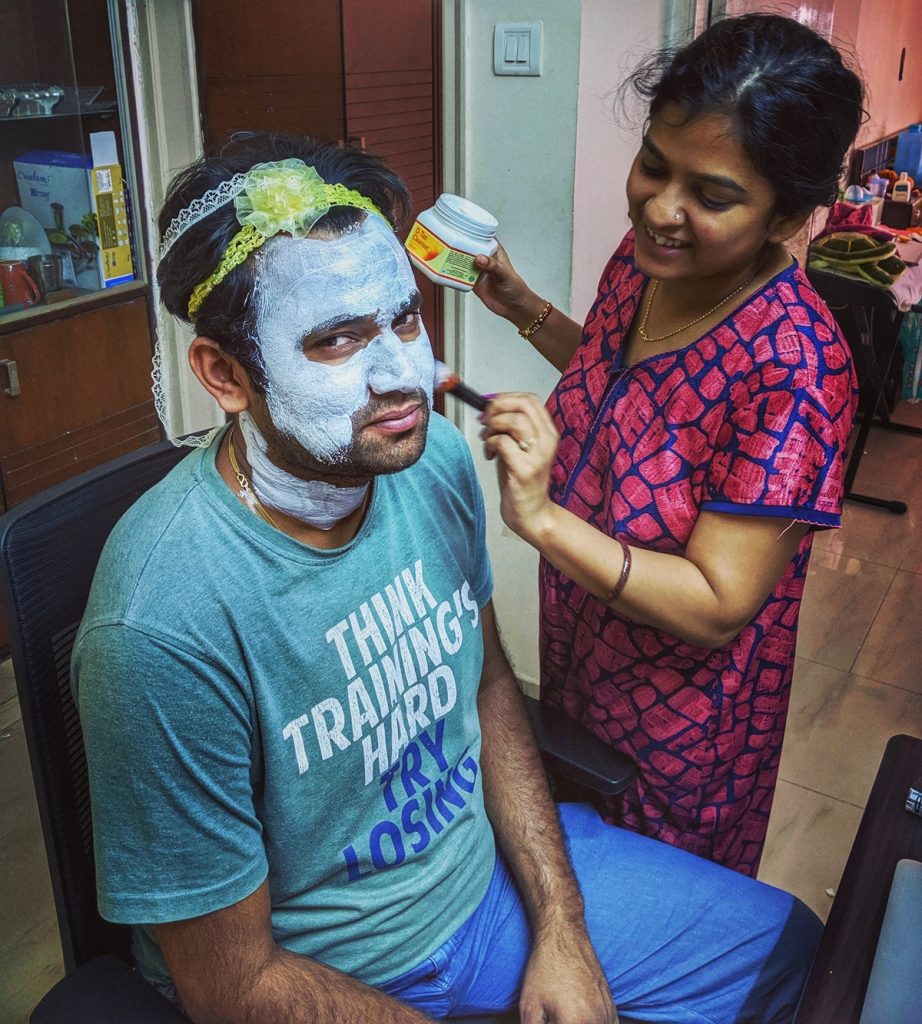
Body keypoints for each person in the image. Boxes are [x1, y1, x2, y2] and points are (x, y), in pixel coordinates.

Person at [73, 130, 822, 1024]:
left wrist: (562, 926)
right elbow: (233, 986)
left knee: (794, 952)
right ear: (226, 375)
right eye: (337, 339)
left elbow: (492, 686)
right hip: (338, 970)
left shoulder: (425, 467)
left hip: (491, 891)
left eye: (402, 318)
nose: (402, 375)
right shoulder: (163, 622)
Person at [474, 13, 863, 877]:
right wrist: (523, 305)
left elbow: (718, 601)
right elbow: (628, 390)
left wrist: (540, 520)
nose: (661, 208)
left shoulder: (794, 366)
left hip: (682, 723)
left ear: (789, 213)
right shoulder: (647, 260)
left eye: (713, 196)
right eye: (654, 163)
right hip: (587, 652)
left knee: (652, 904)